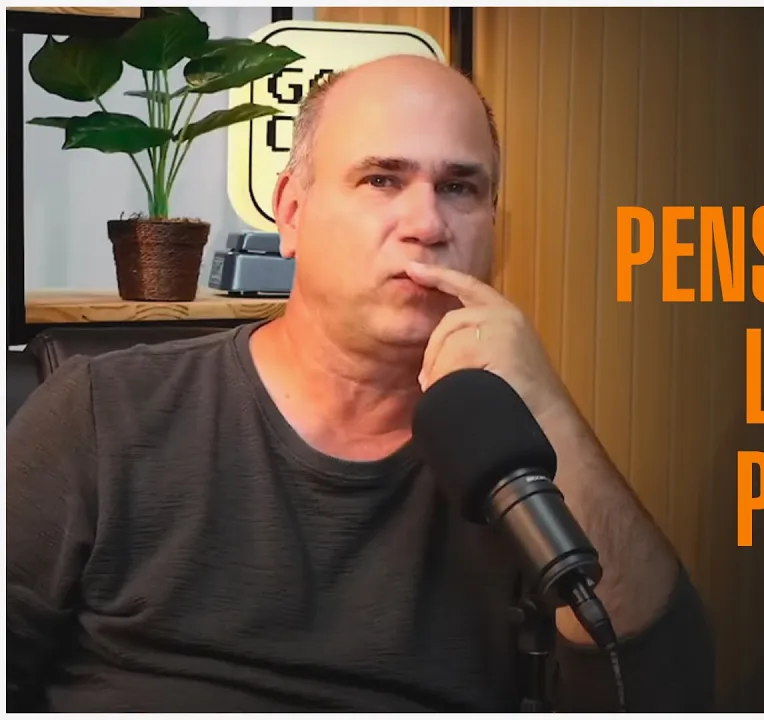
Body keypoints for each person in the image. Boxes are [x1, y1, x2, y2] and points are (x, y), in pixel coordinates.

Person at [7, 54, 715, 712]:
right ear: (291, 212)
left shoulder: (515, 464)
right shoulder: (102, 414)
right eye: (381, 180)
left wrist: (548, 409)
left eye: (460, 188)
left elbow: (663, 693)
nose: (427, 224)